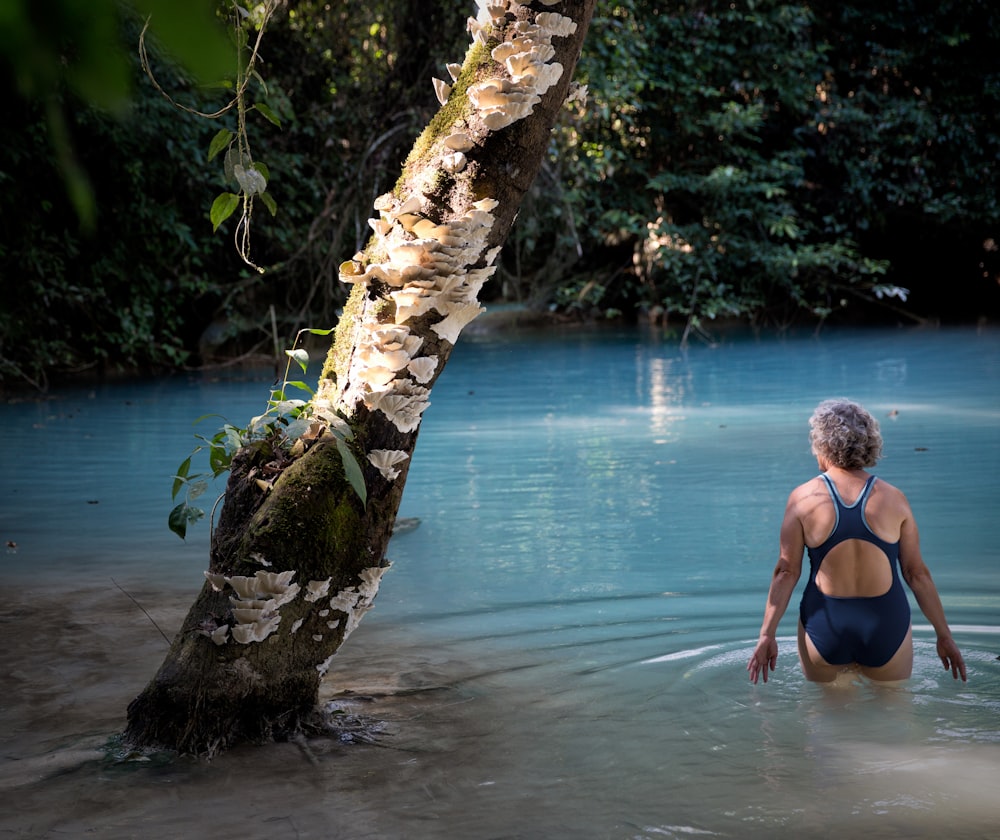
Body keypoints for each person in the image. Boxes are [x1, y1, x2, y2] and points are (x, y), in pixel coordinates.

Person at [747, 398, 966, 685]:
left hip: (825, 626)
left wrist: (767, 634)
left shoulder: (803, 498)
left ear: (822, 444)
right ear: (869, 444)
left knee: (827, 722)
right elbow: (917, 574)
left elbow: (787, 571)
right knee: (895, 719)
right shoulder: (893, 498)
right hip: (886, 625)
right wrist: (944, 635)